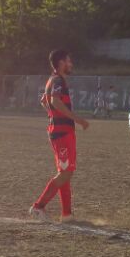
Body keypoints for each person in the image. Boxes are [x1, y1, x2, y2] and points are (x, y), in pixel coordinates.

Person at [29, 49, 88, 223]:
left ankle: (67, 214)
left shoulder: (53, 80)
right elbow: (54, 100)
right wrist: (77, 119)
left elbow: (44, 101)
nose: (71, 64)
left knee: (65, 172)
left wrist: (53, 115)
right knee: (66, 173)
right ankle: (38, 207)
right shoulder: (57, 80)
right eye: (68, 61)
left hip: (62, 131)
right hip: (62, 133)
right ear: (61, 62)